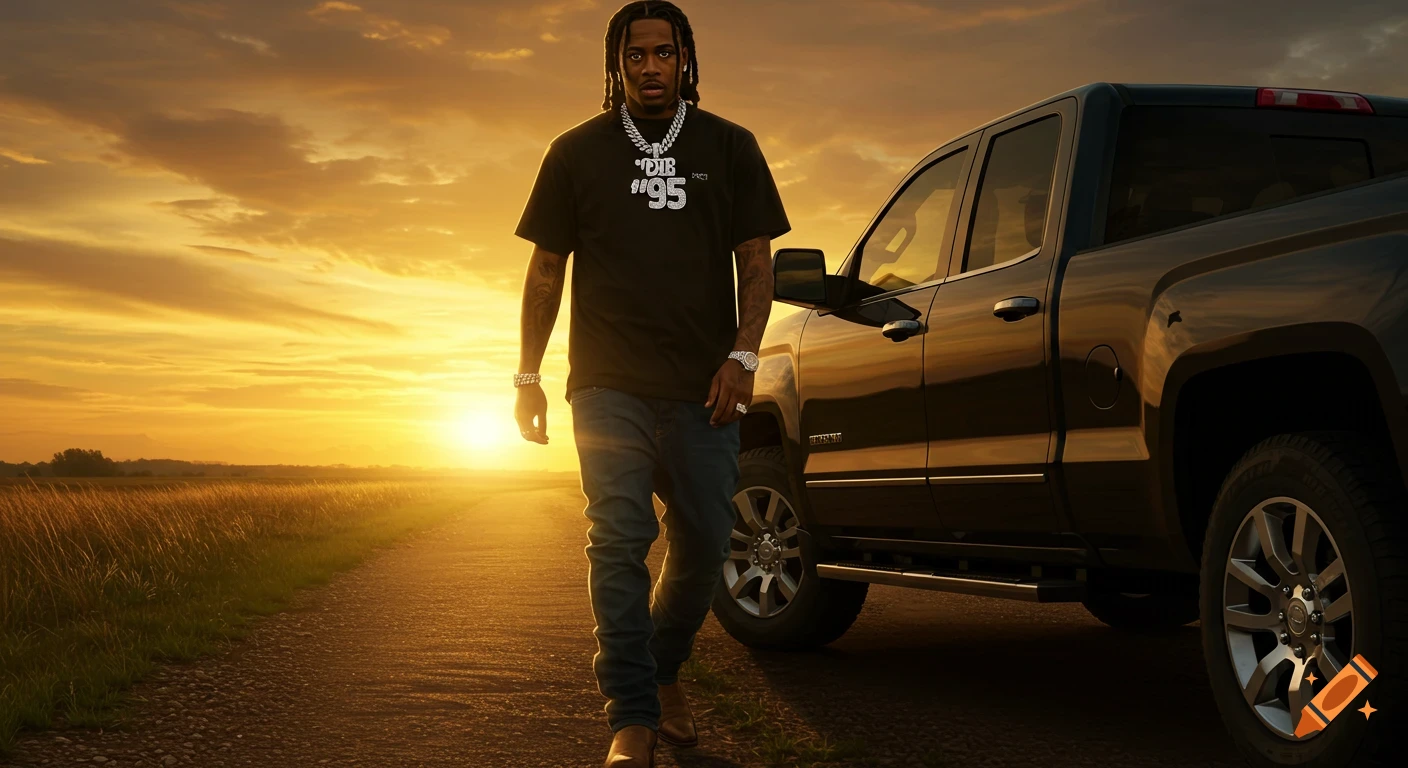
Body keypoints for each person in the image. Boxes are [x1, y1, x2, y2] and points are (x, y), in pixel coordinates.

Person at [511, 2, 790, 765]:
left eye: (664, 53)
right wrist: (528, 376)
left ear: (686, 58)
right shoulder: (575, 154)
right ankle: (629, 715)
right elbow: (544, 271)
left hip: (705, 385)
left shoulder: (731, 147)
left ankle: (664, 667)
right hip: (607, 383)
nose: (650, 67)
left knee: (704, 539)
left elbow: (756, 261)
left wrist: (743, 356)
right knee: (619, 538)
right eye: (635, 56)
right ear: (617, 64)